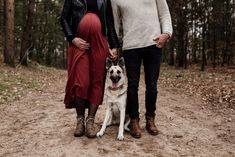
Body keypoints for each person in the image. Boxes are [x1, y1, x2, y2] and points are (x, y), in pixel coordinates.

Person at [111, 0, 173, 138]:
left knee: (152, 85)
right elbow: (115, 24)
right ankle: (134, 120)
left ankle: (150, 119)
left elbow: (164, 14)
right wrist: (113, 46)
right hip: (131, 46)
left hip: (154, 43)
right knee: (132, 85)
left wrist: (167, 33)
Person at [60, 0, 119, 138]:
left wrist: (114, 45)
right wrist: (72, 38)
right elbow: (64, 18)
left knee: (97, 82)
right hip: (80, 44)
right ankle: (80, 120)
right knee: (82, 83)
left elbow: (109, 22)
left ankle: (90, 121)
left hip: (99, 44)